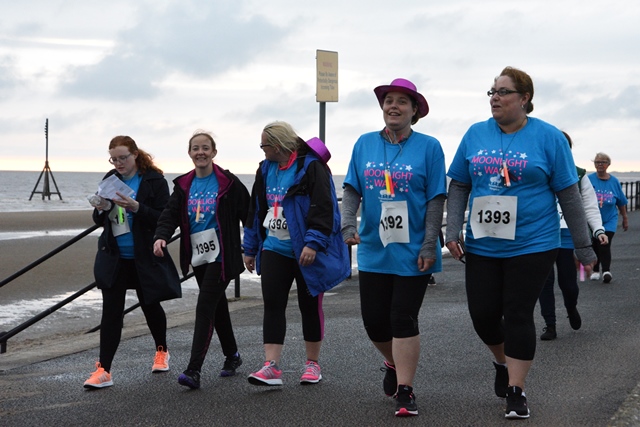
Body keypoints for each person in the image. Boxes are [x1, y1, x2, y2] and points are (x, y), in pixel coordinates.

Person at [445, 67, 596, 419]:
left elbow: (568, 195)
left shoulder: (548, 137)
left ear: (524, 98)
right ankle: (502, 361)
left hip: (533, 242)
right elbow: (460, 186)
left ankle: (517, 389)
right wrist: (452, 231)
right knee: (483, 315)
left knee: (517, 313)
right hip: (482, 244)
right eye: (492, 92)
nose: (495, 98)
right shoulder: (474, 134)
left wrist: (583, 246)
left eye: (503, 92)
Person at [341, 78, 447, 417]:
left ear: (415, 110)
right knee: (374, 322)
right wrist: (347, 224)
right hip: (374, 247)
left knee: (402, 317)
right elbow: (352, 189)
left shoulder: (429, 147)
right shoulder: (365, 144)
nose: (393, 106)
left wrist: (430, 243)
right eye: (388, 100)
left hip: (414, 248)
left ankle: (406, 390)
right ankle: (392, 362)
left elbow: (435, 199)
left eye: (402, 101)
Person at [243, 121, 350, 388]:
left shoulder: (311, 167)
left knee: (309, 307)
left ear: (276, 146)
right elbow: (257, 208)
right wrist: (251, 246)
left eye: (263, 145)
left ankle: (312, 364)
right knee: (273, 305)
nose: (261, 150)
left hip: (305, 250)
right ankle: (271, 367)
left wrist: (313, 243)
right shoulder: (265, 168)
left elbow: (324, 208)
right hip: (274, 248)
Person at [153, 130, 250, 389]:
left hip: (222, 255)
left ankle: (193, 370)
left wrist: (251, 248)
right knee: (217, 307)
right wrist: (161, 236)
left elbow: (248, 214)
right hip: (198, 255)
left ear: (214, 152)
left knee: (204, 307)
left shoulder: (228, 183)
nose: (200, 152)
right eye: (196, 148)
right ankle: (233, 356)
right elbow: (169, 214)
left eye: (205, 148)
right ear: (189, 153)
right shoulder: (184, 185)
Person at [84, 135, 181, 389]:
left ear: (135, 154)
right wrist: (101, 207)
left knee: (151, 306)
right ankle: (104, 370)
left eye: (123, 158)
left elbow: (164, 217)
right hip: (115, 257)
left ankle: (162, 351)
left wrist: (137, 206)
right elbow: (99, 219)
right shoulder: (109, 179)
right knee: (111, 314)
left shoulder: (154, 181)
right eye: (113, 159)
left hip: (144, 256)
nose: (118, 163)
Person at [538, 132, 609, 341]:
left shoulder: (579, 175)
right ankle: (549, 324)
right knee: (545, 282)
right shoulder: (539, 170)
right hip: (542, 235)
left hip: (568, 235)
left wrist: (598, 230)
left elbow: (589, 206)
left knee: (569, 283)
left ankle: (571, 307)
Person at [588, 152, 629, 283]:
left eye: (603, 162)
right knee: (594, 243)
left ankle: (606, 270)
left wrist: (625, 218)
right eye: (597, 162)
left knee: (604, 243)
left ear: (608, 164)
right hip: (593, 219)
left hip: (609, 219)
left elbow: (621, 202)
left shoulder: (614, 181)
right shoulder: (589, 179)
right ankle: (595, 270)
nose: (600, 165)